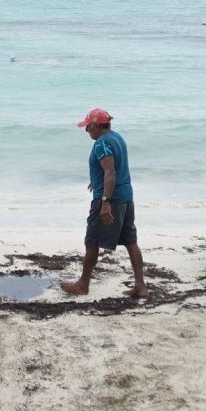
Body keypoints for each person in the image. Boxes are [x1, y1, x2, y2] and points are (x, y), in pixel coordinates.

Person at [61, 108, 146, 298]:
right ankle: (141, 286)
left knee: (92, 241)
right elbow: (111, 168)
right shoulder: (117, 138)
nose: (86, 130)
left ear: (97, 126)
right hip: (126, 198)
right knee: (131, 242)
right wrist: (97, 180)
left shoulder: (101, 144)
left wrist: (105, 201)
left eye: (88, 126)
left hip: (110, 199)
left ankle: (83, 285)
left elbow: (110, 172)